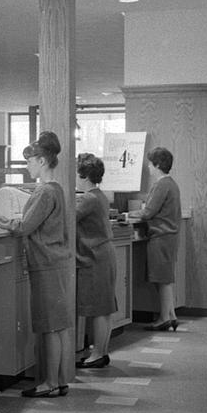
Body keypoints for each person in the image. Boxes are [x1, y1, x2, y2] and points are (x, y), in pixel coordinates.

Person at [0, 131, 73, 397]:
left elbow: (24, 226)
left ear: (42, 161)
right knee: (59, 326)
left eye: (29, 160)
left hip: (45, 264)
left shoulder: (44, 192)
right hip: (57, 262)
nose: (27, 165)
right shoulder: (57, 190)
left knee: (49, 327)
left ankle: (49, 383)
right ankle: (59, 380)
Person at [128, 146, 181, 331]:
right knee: (165, 278)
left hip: (160, 236)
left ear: (157, 164)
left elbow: (149, 211)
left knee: (161, 279)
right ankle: (171, 315)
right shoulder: (171, 183)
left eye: (150, 164)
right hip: (169, 236)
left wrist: (128, 215)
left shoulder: (161, 184)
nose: (149, 168)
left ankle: (164, 318)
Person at [74, 153, 117, 369]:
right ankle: (101, 351)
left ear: (82, 174)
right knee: (104, 308)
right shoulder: (99, 195)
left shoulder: (88, 199)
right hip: (103, 254)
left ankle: (98, 354)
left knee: (99, 308)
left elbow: (66, 218)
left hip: (95, 257)